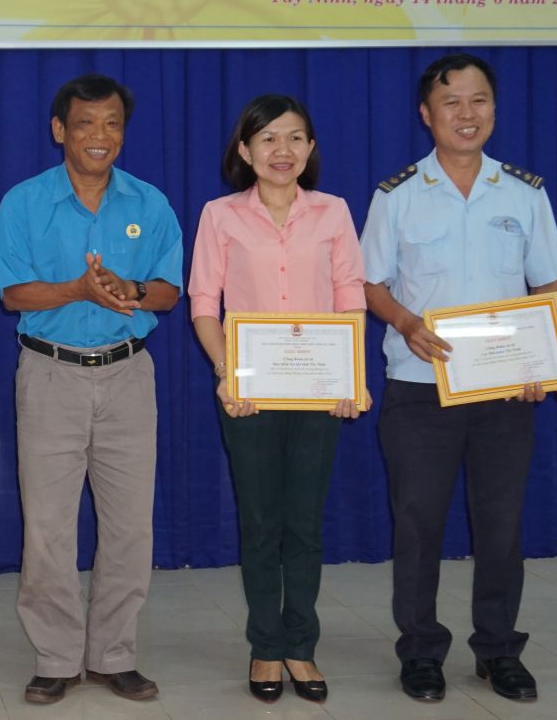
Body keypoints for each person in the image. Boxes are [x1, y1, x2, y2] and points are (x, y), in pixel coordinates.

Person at [359, 53, 557, 703]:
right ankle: (421, 651)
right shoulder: (396, 195)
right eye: (451, 102)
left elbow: (546, 283)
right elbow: (370, 283)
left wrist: (542, 362)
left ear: (494, 110)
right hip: (419, 387)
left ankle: (499, 650)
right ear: (426, 115)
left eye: (479, 100)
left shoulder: (524, 193)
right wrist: (406, 322)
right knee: (418, 524)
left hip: (504, 390)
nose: (466, 113)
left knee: (501, 525)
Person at [0, 74, 183, 705]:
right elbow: (14, 294)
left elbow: (169, 292)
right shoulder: (23, 203)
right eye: (85, 123)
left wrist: (131, 290)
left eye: (112, 124)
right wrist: (78, 290)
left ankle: (113, 654)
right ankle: (55, 657)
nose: (100, 137)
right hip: (50, 375)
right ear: (60, 130)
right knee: (48, 527)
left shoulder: (150, 204)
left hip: (128, 376)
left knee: (129, 525)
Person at [188, 94, 367, 705]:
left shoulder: (334, 212)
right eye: (267, 139)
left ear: (310, 147)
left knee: (305, 525)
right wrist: (227, 373)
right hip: (249, 393)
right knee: (262, 523)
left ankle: (301, 645)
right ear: (245, 150)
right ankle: (265, 645)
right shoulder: (220, 215)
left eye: (294, 137)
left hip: (319, 391)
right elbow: (204, 302)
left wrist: (349, 377)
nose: (281, 150)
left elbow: (350, 295)